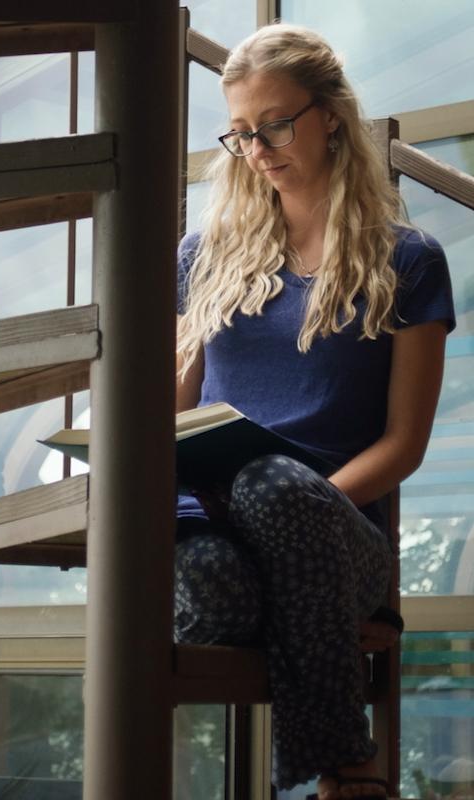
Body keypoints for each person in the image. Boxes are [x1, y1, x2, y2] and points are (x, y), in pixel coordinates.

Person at [174, 22, 455, 799]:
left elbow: (403, 445)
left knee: (270, 486)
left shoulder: (409, 260)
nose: (258, 148)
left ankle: (346, 770)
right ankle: (328, 668)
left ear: (330, 113)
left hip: (337, 525)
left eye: (274, 123)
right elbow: (173, 413)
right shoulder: (203, 259)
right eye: (239, 134)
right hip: (216, 521)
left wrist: (296, 516)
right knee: (215, 594)